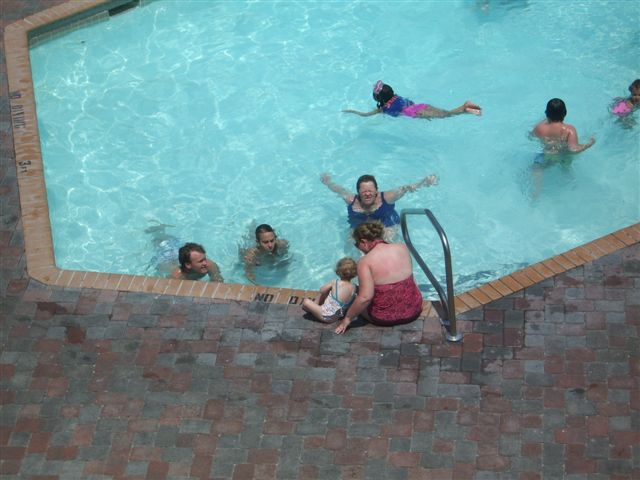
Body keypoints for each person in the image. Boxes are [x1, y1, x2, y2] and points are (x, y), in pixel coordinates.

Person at [334, 221, 423, 334]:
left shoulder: (365, 262)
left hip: (384, 318)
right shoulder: (402, 247)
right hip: (414, 310)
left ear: (364, 242)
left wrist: (347, 319)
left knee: (354, 295)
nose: (358, 248)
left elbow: (365, 298)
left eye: (357, 244)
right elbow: (411, 279)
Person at [321, 173, 438, 231]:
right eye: (364, 191)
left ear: (376, 190)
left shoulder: (387, 197)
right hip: (360, 228)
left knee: (388, 239)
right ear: (358, 192)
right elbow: (339, 190)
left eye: (370, 191)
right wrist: (328, 182)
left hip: (387, 226)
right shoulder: (352, 200)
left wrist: (424, 182)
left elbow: (407, 188)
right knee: (353, 244)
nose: (367, 194)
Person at [342, 80, 482, 119]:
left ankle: (465, 107)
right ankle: (465, 108)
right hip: (420, 106)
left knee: (447, 115)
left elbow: (365, 115)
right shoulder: (396, 96)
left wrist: (352, 111)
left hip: (416, 113)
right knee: (446, 113)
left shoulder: (383, 109)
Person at [302, 257, 358, 323]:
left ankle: (313, 307)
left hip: (325, 316)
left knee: (306, 302)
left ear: (338, 271)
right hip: (337, 317)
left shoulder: (335, 282)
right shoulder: (355, 287)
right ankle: (316, 307)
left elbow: (321, 290)